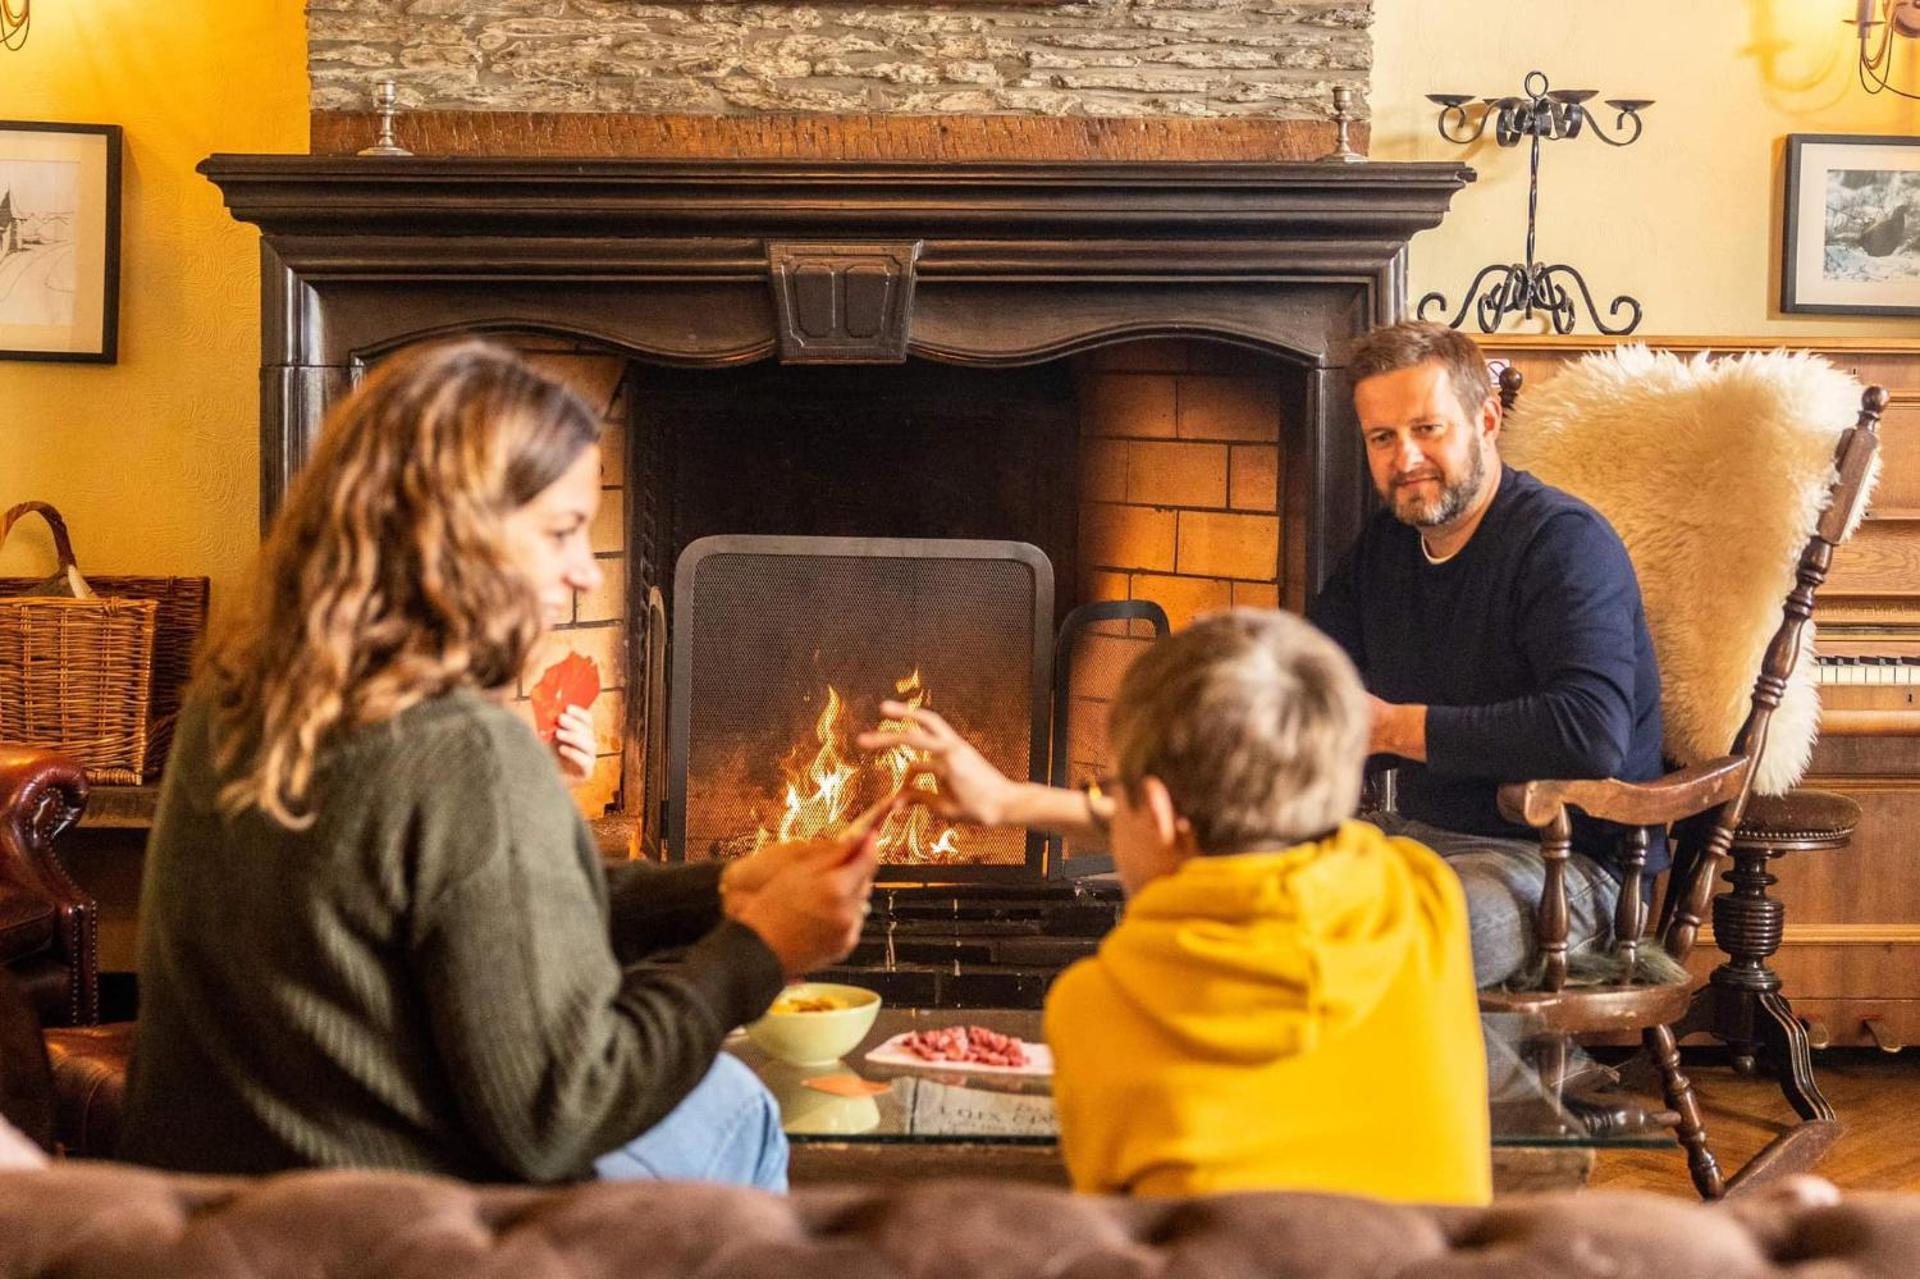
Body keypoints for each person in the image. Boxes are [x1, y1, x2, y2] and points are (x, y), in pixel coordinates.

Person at [118, 341, 876, 1187]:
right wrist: (758, 948)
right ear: (457, 534)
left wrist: (717, 892)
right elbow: (561, 1111)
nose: (584, 572)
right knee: (739, 1104)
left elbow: (488, 909)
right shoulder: (467, 752)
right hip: (391, 1223)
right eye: (560, 531)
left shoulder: (239, 692)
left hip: (213, 1204)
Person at [1047, 611, 1486, 1200]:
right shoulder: (1425, 895)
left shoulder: (1096, 1005)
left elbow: (1112, 1212)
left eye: (1109, 792)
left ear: (1155, 811)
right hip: (1416, 1246)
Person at [1305, 321, 1664, 987]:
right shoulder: (1387, 546)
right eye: (1382, 438)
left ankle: (1451, 1062)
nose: (1405, 457)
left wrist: (1392, 728)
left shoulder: (1564, 544)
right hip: (1417, 835)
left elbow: (1591, 734)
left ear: (1487, 419)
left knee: (1405, 931)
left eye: (1427, 428)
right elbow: (1312, 672)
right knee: (1238, 888)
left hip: (1564, 863)